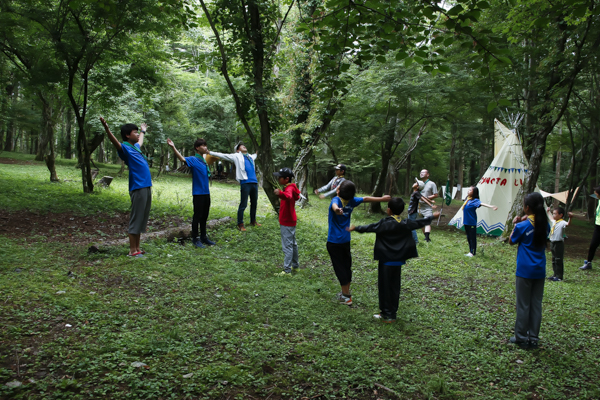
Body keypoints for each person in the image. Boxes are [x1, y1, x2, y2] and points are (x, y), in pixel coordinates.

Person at [348, 198, 439, 323]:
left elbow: (370, 227)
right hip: (398, 261)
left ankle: (387, 314)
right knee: (395, 287)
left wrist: (356, 228)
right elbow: (420, 222)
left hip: (386, 261)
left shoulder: (384, 223)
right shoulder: (406, 223)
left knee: (385, 287)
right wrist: (432, 217)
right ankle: (393, 313)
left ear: (389, 210)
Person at [326, 180, 391, 306]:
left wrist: (337, 210)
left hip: (334, 241)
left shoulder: (336, 200)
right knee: (346, 266)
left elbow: (334, 205)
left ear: (338, 191)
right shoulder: (352, 201)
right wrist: (382, 199)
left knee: (340, 268)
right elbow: (366, 198)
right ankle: (345, 292)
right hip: (345, 240)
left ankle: (346, 297)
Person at [100, 117, 151, 257]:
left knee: (142, 218)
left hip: (146, 185)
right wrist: (107, 129)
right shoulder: (125, 148)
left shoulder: (136, 147)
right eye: (134, 132)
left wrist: (142, 131)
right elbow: (114, 141)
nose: (136, 135)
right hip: (138, 186)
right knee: (136, 218)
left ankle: (138, 248)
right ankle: (132, 251)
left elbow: (140, 140)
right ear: (128, 135)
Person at [508, 192, 549, 349]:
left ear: (527, 208)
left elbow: (512, 241)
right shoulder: (545, 224)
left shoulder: (522, 226)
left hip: (525, 270)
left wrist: (514, 225)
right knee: (536, 304)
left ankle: (520, 336)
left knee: (523, 304)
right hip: (540, 270)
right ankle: (533, 338)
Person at [167, 138, 215, 248]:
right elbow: (182, 158)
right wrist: (173, 147)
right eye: (203, 146)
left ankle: (204, 237)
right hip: (198, 193)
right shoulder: (193, 159)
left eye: (205, 145)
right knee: (197, 216)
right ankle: (195, 238)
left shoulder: (204, 161)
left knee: (204, 216)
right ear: (197, 148)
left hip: (206, 192)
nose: (205, 147)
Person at [209, 143, 261, 231]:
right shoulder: (236, 156)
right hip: (245, 182)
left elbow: (255, 155)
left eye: (244, 145)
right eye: (241, 146)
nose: (244, 146)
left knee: (254, 203)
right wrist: (210, 152)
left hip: (254, 183)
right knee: (243, 204)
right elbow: (223, 155)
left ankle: (253, 221)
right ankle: (240, 223)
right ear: (238, 150)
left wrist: (257, 152)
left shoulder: (250, 157)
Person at [273, 168, 301, 274]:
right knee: (293, 244)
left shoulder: (289, 188)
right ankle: (295, 266)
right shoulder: (290, 187)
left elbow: (288, 197)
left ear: (286, 179)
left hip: (287, 220)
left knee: (287, 246)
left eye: (280, 177)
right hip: (290, 220)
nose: (278, 178)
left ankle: (287, 270)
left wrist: (280, 194)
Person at [461, 186, 498, 257]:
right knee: (468, 237)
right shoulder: (467, 199)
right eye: (468, 190)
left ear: (474, 192)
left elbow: (482, 204)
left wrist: (491, 206)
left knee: (472, 237)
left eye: (470, 190)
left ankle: (473, 252)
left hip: (471, 222)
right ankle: (470, 251)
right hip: (466, 222)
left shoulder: (475, 201)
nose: (468, 191)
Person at [548, 207, 573, 281]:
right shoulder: (554, 222)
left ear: (561, 215)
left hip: (558, 243)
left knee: (558, 259)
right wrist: (548, 212)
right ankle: (555, 274)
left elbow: (568, 224)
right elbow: (550, 218)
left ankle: (559, 277)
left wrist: (570, 218)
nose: (553, 215)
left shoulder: (562, 222)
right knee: (554, 259)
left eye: (555, 213)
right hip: (552, 242)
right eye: (553, 213)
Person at [408, 179, 435, 244]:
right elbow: (423, 197)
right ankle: (412, 240)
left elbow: (422, 199)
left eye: (416, 183)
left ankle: (415, 241)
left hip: (412, 212)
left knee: (411, 226)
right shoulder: (416, 193)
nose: (414, 183)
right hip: (411, 211)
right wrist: (431, 201)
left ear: (417, 187)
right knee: (410, 226)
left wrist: (430, 205)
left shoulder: (416, 193)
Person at [581, 186, 600, 270]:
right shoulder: (599, 201)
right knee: (593, 245)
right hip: (598, 226)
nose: (595, 194)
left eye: (596, 193)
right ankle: (589, 263)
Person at [418, 169, 438, 242]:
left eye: (423, 172)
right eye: (421, 172)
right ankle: (425, 236)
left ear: (428, 174)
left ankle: (427, 237)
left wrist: (429, 197)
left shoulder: (432, 184)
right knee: (421, 223)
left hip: (427, 206)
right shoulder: (418, 183)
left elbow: (436, 195)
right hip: (419, 206)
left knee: (427, 221)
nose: (421, 174)